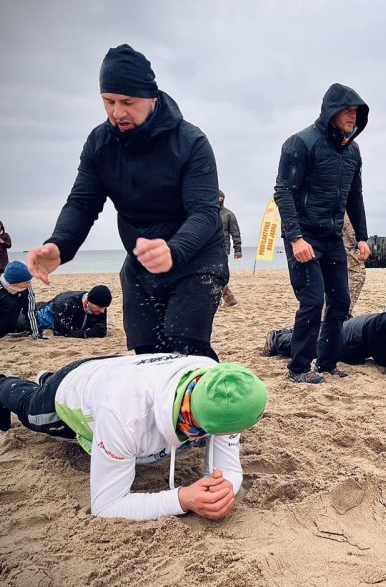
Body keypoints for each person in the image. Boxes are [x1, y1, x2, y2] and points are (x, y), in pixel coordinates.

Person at [26, 44, 226, 360]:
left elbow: (205, 212)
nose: (117, 112)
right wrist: (59, 245)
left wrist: (174, 250)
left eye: (127, 102)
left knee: (184, 346)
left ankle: (211, 408)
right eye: (109, 102)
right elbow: (82, 202)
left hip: (196, 259)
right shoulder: (100, 143)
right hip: (141, 262)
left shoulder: (191, 142)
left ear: (152, 98)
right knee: (147, 354)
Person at [0, 354, 267, 521]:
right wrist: (182, 499)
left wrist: (225, 487)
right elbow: (106, 505)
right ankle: (0, 385)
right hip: (76, 391)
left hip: (116, 372)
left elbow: (227, 467)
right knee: (31, 412)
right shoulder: (124, 413)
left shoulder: (219, 383)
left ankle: (47, 379)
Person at [273, 83, 371, 384]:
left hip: (333, 239)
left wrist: (363, 237)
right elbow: (283, 193)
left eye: (356, 113)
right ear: (332, 111)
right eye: (347, 111)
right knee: (313, 301)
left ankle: (327, 364)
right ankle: (299, 368)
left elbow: (355, 196)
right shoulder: (301, 143)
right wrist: (295, 238)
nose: (352, 117)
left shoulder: (353, 151)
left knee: (340, 302)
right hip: (304, 237)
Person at [18, 285, 113, 338]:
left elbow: (101, 329)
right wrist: (86, 333)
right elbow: (61, 331)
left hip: (63, 317)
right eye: (100, 307)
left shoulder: (100, 305)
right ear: (89, 301)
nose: (102, 311)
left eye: (104, 307)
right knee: (16, 323)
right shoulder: (66, 304)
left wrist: (94, 331)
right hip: (42, 313)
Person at [218, 191, 243, 307]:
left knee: (219, 274)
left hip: (222, 249)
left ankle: (227, 300)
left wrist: (238, 249)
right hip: (206, 248)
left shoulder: (228, 214)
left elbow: (235, 233)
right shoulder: (206, 213)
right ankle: (229, 301)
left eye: (220, 198)